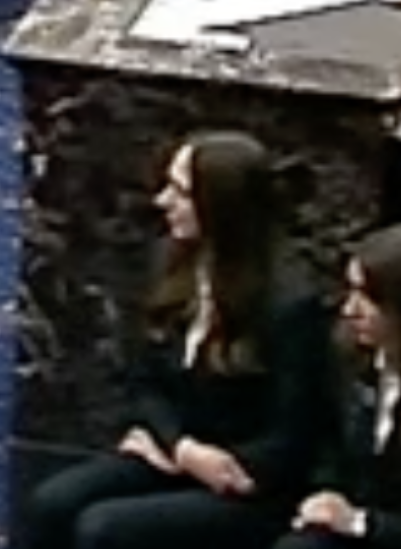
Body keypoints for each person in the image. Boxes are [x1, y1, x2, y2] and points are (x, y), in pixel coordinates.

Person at [25, 131, 329, 549]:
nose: (162, 201)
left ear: (220, 207)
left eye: (180, 192)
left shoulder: (289, 305)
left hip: (247, 483)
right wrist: (181, 447)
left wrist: (216, 464)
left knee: (104, 529)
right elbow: (142, 381)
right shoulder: (167, 260)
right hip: (176, 448)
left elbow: (295, 435)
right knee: (51, 503)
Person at [277, 224, 401, 548]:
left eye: (368, 298)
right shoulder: (351, 361)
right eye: (350, 291)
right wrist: (327, 493)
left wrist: (362, 522)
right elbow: (332, 448)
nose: (350, 310)